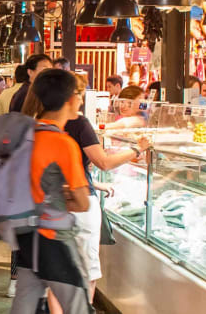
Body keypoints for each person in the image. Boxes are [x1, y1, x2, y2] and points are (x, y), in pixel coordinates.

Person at [58, 75, 150, 304]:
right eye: (80, 94)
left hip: (54, 202)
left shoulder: (42, 122)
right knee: (87, 272)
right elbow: (104, 163)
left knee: (58, 273)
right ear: (73, 96)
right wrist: (137, 150)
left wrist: (96, 183)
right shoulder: (79, 123)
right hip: (79, 202)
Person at [10, 69, 92, 314]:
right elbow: (82, 202)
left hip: (25, 234)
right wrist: (62, 195)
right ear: (70, 99)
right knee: (78, 307)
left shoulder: (22, 135)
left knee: (24, 306)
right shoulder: (63, 143)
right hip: (53, 238)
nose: (81, 99)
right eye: (79, 93)